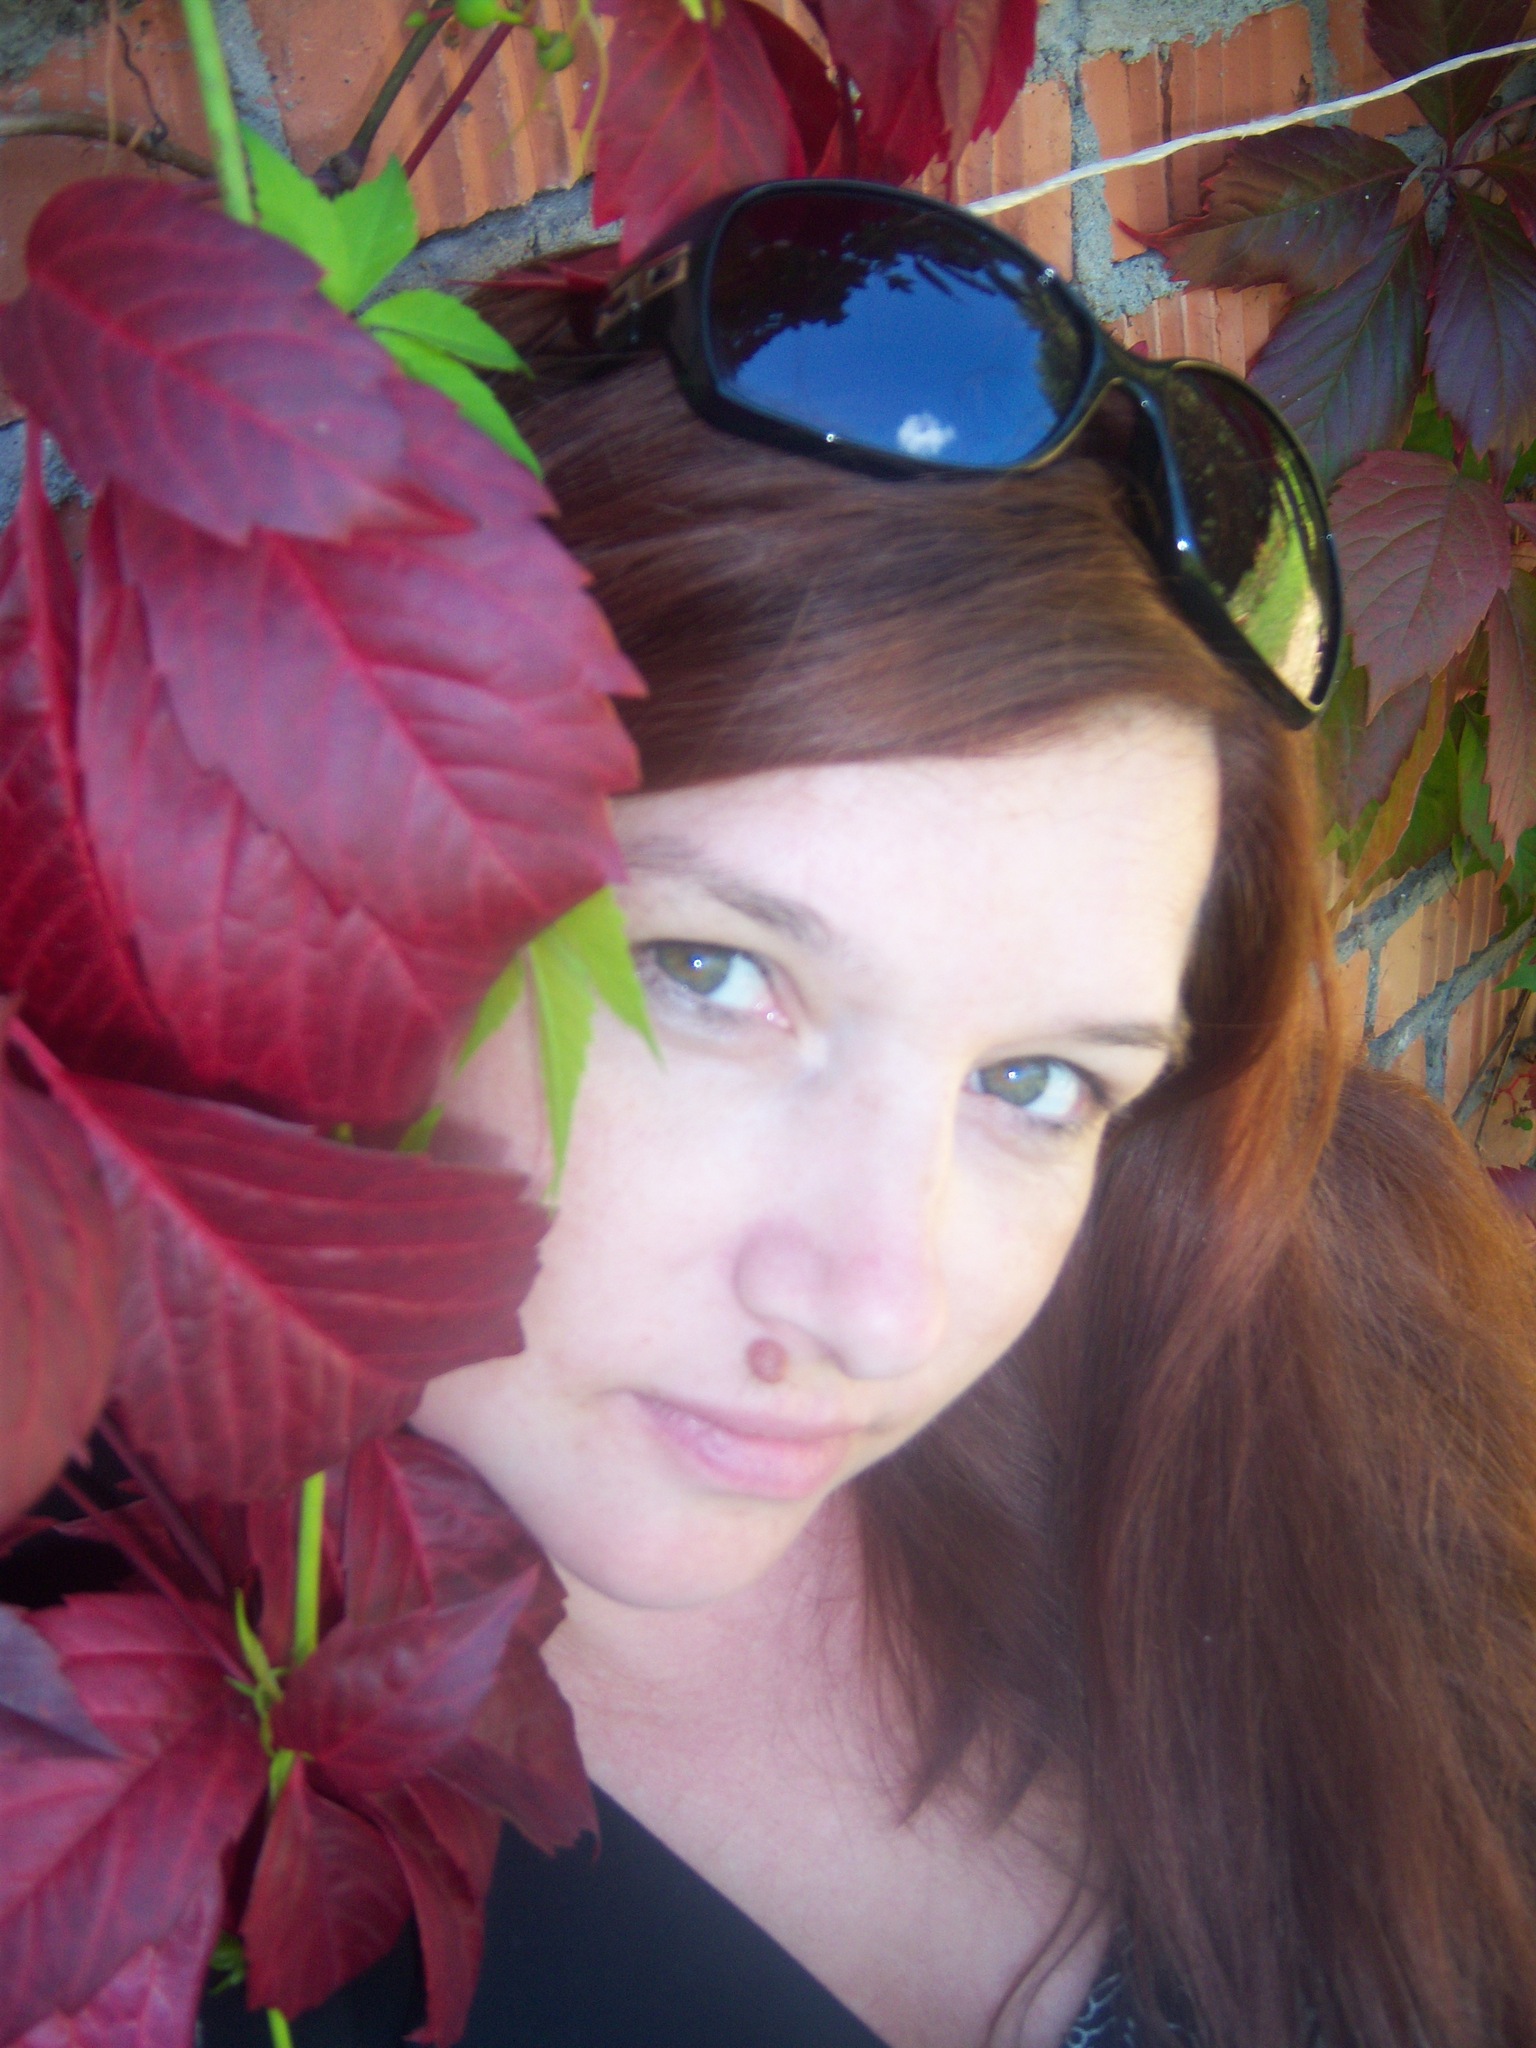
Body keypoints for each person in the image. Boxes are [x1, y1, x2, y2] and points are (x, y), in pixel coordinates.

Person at [219, 182, 1536, 2048]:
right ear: (339, 885)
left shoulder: (1330, 1340)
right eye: (713, 975)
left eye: (1037, 1085)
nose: (884, 1311)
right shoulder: (114, 1763)